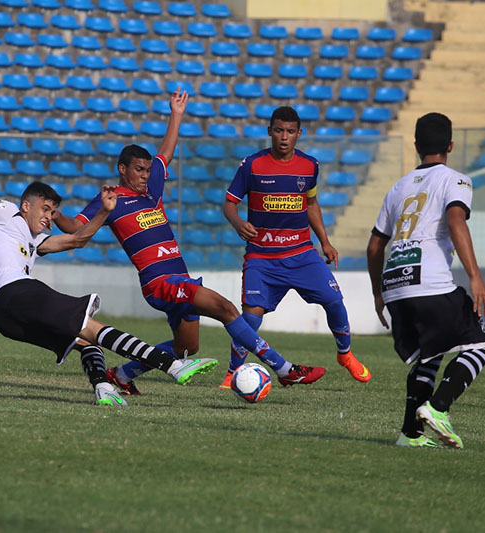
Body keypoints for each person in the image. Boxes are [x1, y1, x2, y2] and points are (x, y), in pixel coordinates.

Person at [54, 90, 324, 396]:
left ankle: (122, 374)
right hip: (159, 282)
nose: (145, 176)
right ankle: (285, 369)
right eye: (139, 170)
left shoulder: (151, 190)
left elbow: (165, 154)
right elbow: (75, 228)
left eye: (148, 171)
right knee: (226, 308)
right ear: (123, 170)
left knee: (186, 347)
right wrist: (56, 214)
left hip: (179, 278)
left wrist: (177, 114)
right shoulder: (112, 199)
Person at [0, 182, 218, 406]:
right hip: (14, 292)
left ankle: (103, 387)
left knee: (83, 340)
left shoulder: (35, 241)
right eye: (44, 209)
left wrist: (104, 212)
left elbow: (77, 240)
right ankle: (172, 365)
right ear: (26, 205)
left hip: (1, 317)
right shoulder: (5, 211)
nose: (48, 218)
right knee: (90, 326)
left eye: (52, 212)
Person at [218, 106, 371, 389]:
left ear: (299, 134)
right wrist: (238, 223)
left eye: (290, 131)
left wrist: (325, 242)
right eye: (279, 130)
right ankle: (232, 373)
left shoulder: (309, 165)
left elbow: (311, 203)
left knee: (334, 301)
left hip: (301, 254)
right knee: (250, 319)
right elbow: (229, 203)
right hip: (262, 257)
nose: (284, 137)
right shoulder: (252, 164)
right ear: (270, 131)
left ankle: (345, 354)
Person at [367, 112, 485, 449]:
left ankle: (410, 435)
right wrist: (475, 277)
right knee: (481, 347)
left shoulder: (398, 187)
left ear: (416, 146)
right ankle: (438, 408)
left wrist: (378, 294)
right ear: (450, 146)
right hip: (429, 282)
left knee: (430, 354)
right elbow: (456, 221)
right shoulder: (456, 180)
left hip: (396, 284)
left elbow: (375, 245)